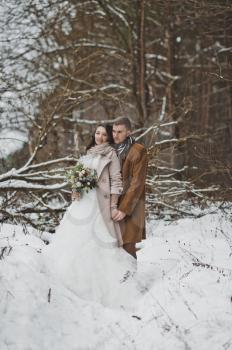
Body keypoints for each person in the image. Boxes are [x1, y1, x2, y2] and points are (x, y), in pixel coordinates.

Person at [42, 124, 142, 309]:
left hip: (99, 205)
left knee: (97, 245)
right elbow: (77, 178)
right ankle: (63, 287)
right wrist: (76, 189)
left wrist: (113, 205)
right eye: (97, 133)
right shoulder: (88, 153)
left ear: (109, 137)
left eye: (104, 134)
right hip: (81, 204)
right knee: (72, 243)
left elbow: (117, 182)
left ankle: (103, 293)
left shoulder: (111, 154)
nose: (100, 136)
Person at [112, 117, 148, 260]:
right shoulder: (112, 149)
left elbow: (137, 183)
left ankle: (131, 281)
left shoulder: (138, 151)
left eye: (120, 132)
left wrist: (124, 209)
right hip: (113, 204)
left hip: (131, 206)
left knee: (128, 248)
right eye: (114, 131)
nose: (116, 135)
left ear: (129, 132)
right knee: (113, 249)